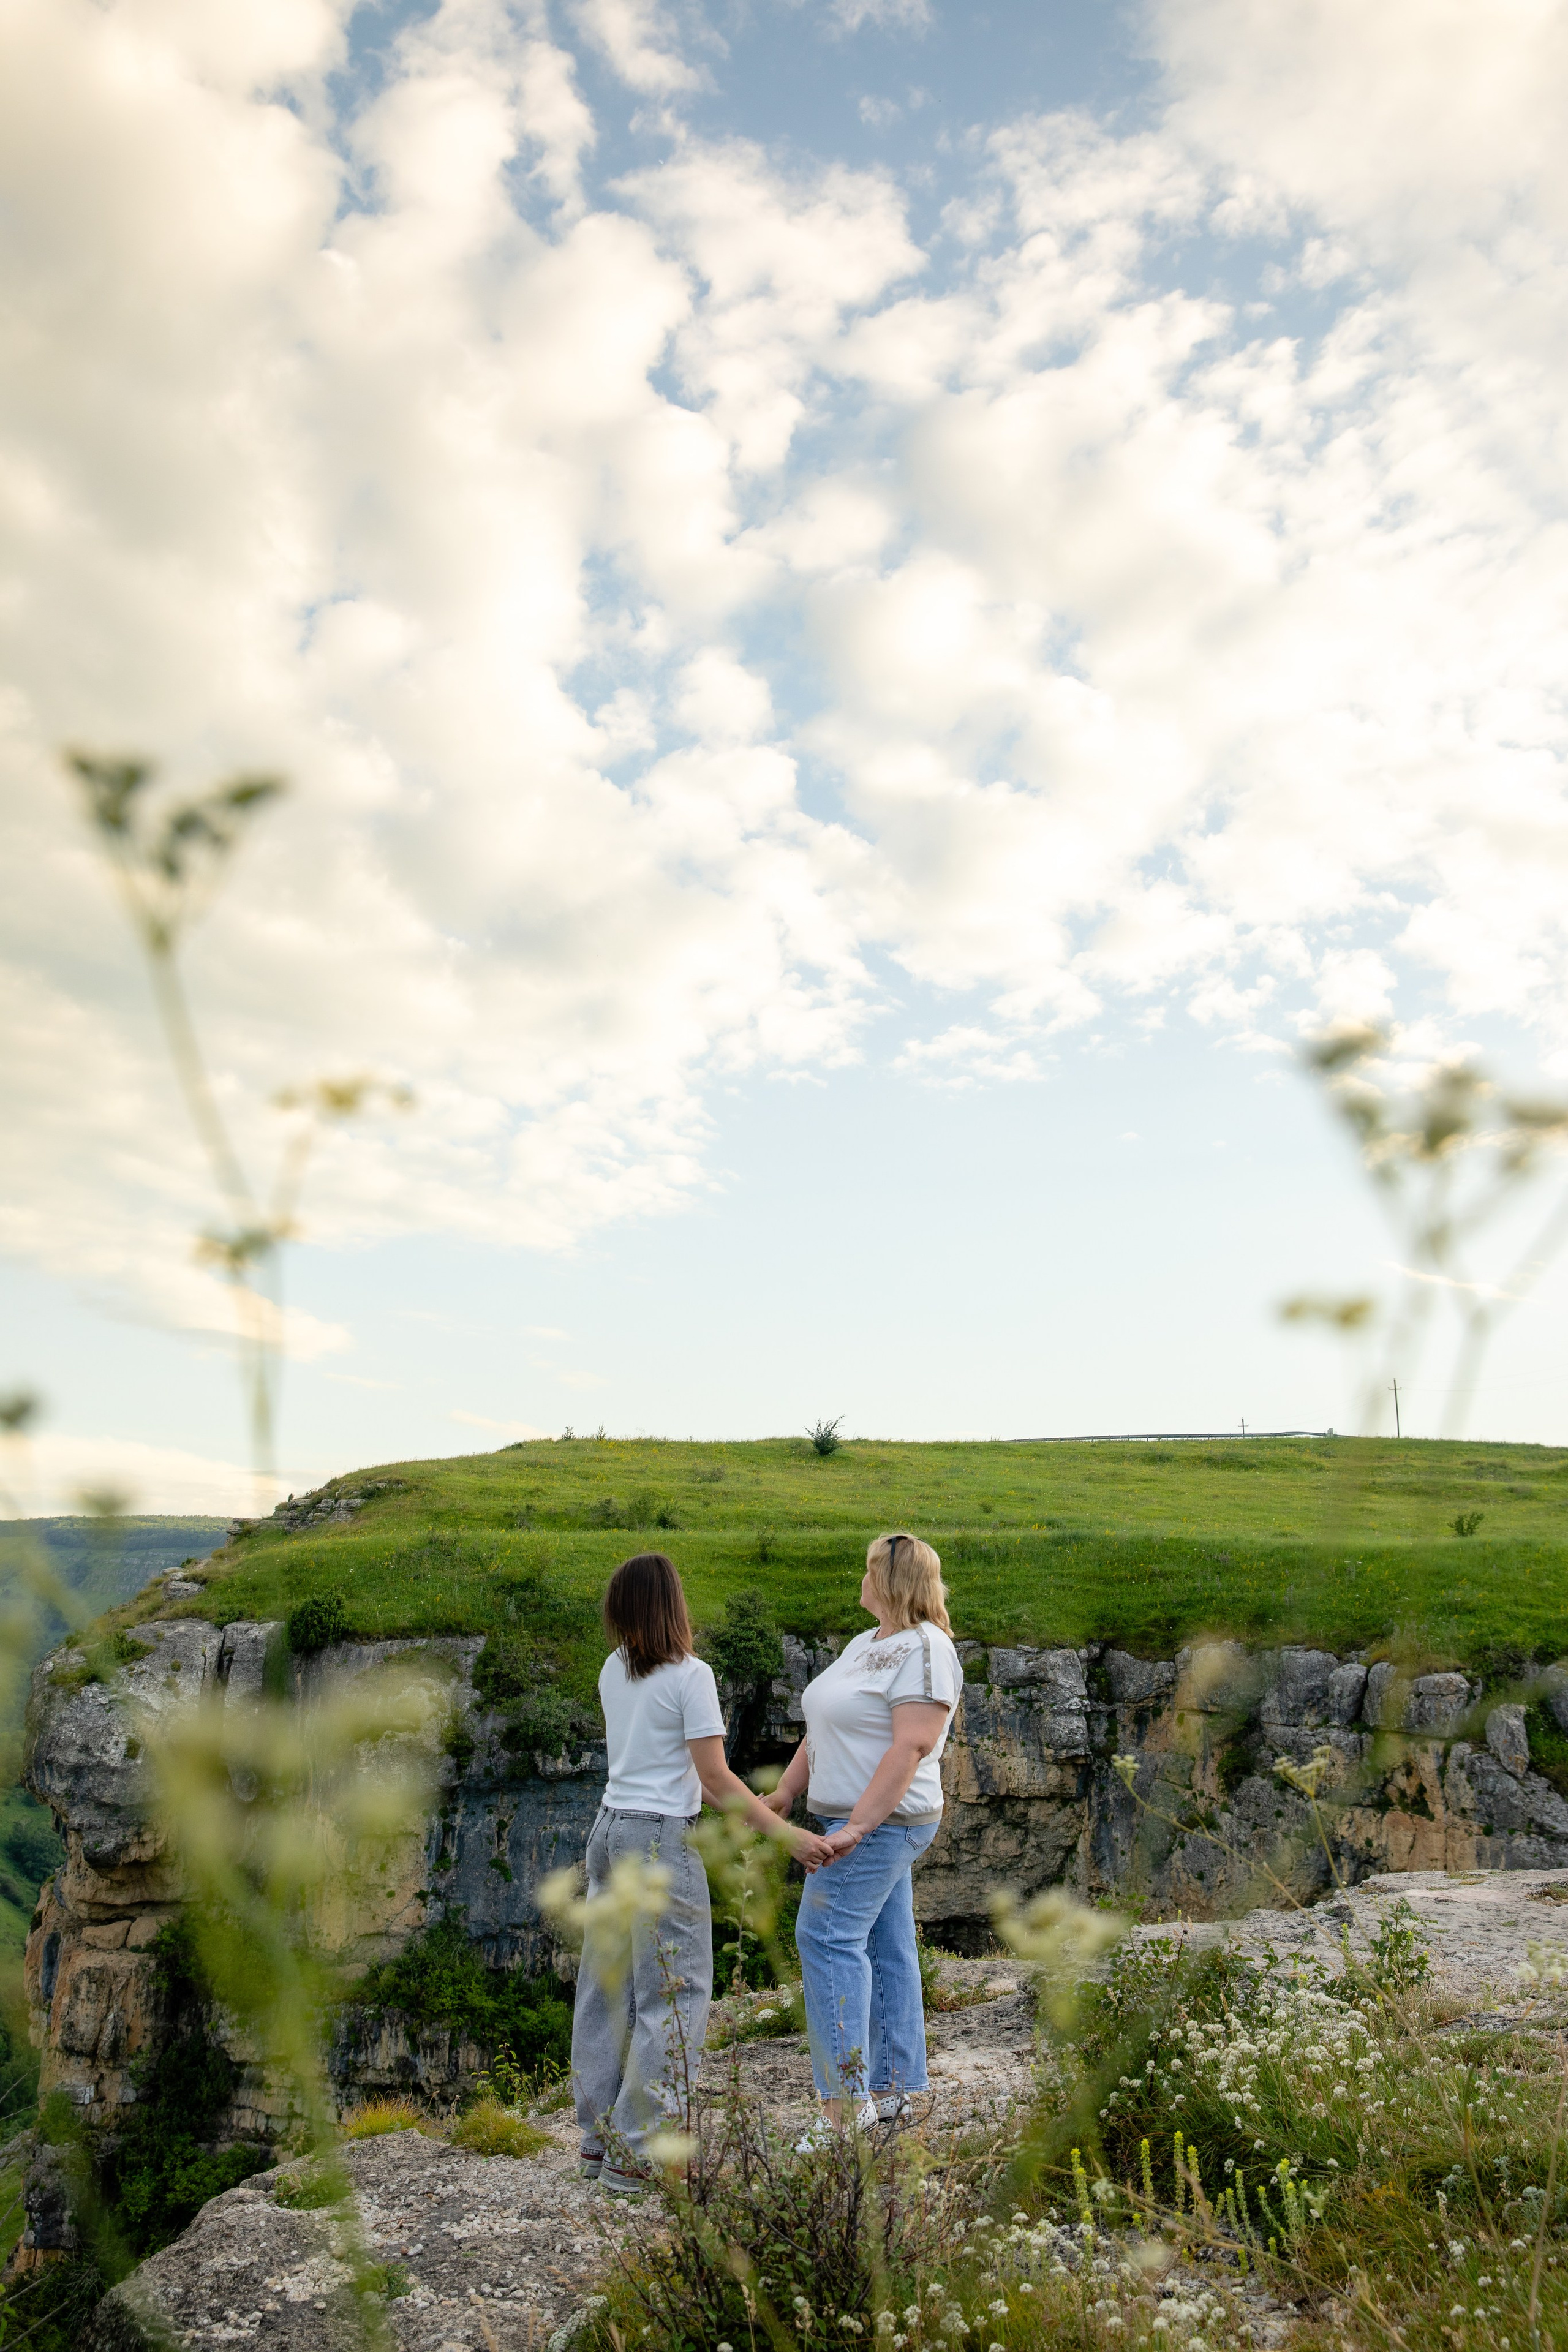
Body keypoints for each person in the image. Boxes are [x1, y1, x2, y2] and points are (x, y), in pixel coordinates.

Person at [571, 1550, 835, 2193]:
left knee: (609, 1991)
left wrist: (754, 1810)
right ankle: (641, 2154)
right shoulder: (690, 1675)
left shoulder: (614, 1669)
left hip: (609, 1831)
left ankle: (598, 2144)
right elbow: (711, 1778)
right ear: (674, 1605)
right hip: (659, 1839)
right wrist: (789, 1834)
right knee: (675, 1992)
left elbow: (688, 1775)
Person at [764, 1530, 962, 2137]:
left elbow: (913, 1744)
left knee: (824, 1936)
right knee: (883, 1944)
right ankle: (896, 2090)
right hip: (848, 1821)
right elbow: (824, 1727)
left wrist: (859, 1825)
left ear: (890, 1580)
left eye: (868, 1569)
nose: (861, 1578)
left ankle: (844, 2111)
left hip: (884, 1824)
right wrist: (786, 1792)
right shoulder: (866, 1643)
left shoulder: (927, 1649)